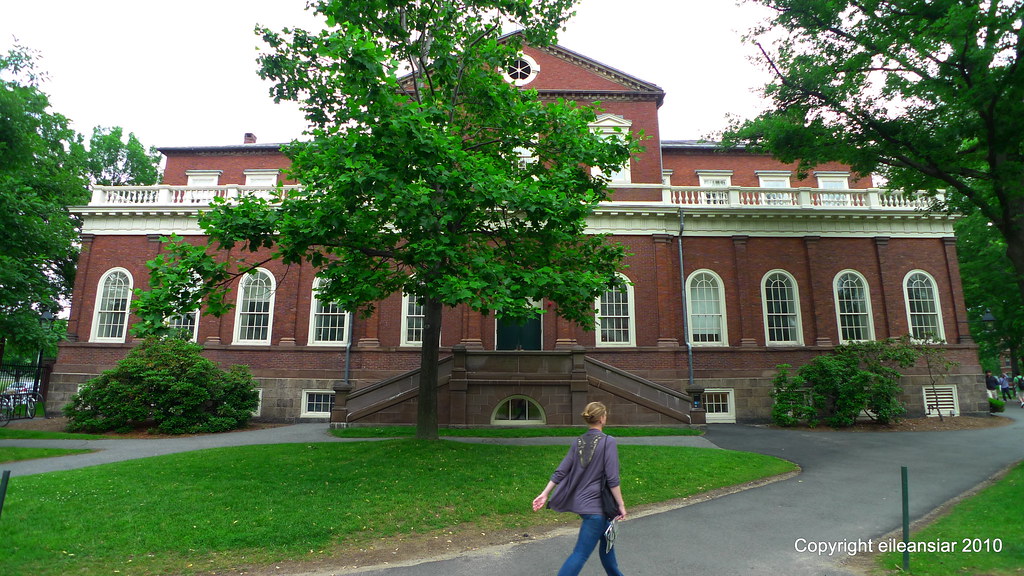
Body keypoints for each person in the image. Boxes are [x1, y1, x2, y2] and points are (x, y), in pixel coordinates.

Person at [533, 401, 627, 576]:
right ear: (602, 418)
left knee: (607, 549)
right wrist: (621, 505)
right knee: (580, 554)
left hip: (592, 508)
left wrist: (545, 493)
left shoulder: (579, 442)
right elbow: (613, 478)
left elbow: (561, 471)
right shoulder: (608, 442)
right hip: (596, 510)